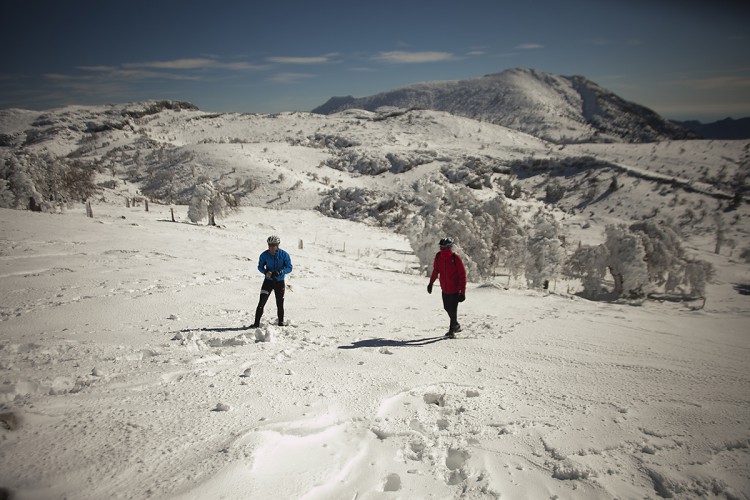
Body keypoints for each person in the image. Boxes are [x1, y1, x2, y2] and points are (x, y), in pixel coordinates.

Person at [427, 237, 466, 338]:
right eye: (441, 247)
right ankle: (456, 325)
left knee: (453, 310)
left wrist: (462, 292)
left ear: (449, 247)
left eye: (444, 247)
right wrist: (430, 283)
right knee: (447, 308)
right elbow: (436, 270)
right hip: (444, 289)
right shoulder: (439, 256)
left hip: (455, 289)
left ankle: (451, 332)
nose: (442, 249)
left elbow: (462, 275)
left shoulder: (455, 258)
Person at [250, 235, 293, 328]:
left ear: (278, 245)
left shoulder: (284, 254)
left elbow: (289, 267)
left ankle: (281, 323)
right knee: (261, 302)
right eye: (270, 245)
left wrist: (281, 272)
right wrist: (265, 272)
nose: (271, 247)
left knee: (280, 303)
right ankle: (256, 323)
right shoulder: (264, 255)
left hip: (279, 282)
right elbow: (260, 266)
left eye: (274, 245)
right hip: (268, 282)